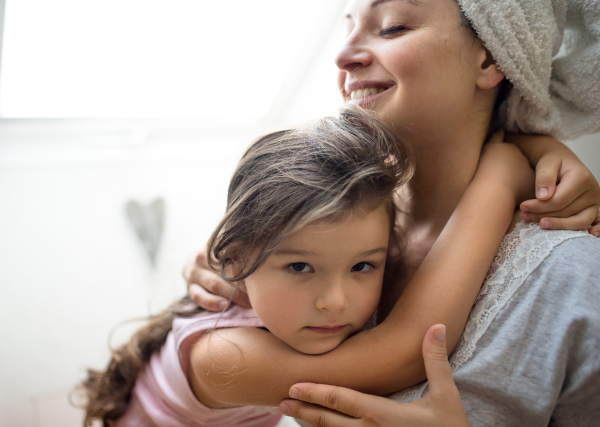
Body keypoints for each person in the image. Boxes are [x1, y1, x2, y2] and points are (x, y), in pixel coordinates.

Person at [183, 0, 600, 425]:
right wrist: (510, 166)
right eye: (348, 29)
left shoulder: (577, 276)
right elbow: (399, 351)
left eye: (392, 27)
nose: (343, 55)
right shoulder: (318, 226)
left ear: (493, 55)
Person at [81, 104, 533, 426]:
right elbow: (402, 352)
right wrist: (504, 174)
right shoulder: (224, 358)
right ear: (233, 258)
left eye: (362, 267)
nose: (335, 302)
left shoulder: (259, 291)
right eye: (299, 267)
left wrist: (541, 147)